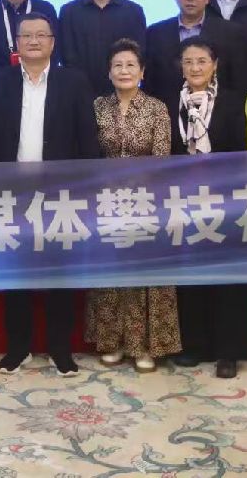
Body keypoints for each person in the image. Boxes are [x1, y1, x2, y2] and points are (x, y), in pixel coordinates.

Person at [0, 13, 99, 377]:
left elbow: (87, 138)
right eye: (26, 35)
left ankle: (60, 349)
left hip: (60, 194)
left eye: (41, 35)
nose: (33, 41)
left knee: (58, 274)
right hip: (13, 193)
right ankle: (18, 348)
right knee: (17, 275)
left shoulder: (74, 82)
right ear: (17, 43)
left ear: (52, 42)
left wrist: (84, 188)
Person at [86, 39, 179, 373]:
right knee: (110, 275)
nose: (124, 71)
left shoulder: (156, 108)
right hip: (105, 204)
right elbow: (89, 156)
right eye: (118, 65)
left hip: (145, 203)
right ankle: (112, 342)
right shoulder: (97, 107)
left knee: (143, 276)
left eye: (130, 65)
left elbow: (162, 159)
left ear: (142, 71)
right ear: (108, 72)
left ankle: (144, 346)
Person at [169, 38, 247, 379]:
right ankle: (195, 345)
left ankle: (228, 351)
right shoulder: (171, 103)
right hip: (184, 201)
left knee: (227, 276)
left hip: (224, 200)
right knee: (190, 273)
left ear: (214, 64)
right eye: (189, 61)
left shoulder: (233, 101)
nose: (195, 67)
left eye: (202, 61)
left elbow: (242, 151)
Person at [144, 0, 247, 101]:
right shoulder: (155, 33)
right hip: (167, 110)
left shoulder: (231, 33)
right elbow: (149, 83)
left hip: (218, 110)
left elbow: (241, 83)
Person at [58, 0, 147, 97]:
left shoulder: (133, 11)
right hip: (79, 95)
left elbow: (139, 55)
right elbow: (66, 57)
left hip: (123, 95)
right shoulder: (69, 12)